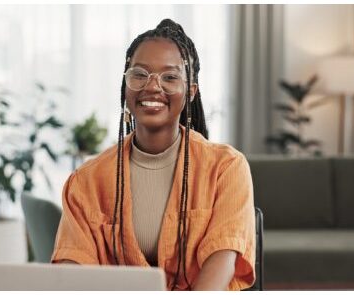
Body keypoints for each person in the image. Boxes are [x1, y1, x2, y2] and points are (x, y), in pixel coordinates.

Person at [51, 19, 255, 291]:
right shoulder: (86, 180)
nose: (152, 87)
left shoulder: (226, 168)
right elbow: (72, 267)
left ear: (190, 91)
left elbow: (222, 261)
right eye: (139, 74)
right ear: (126, 85)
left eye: (169, 77)